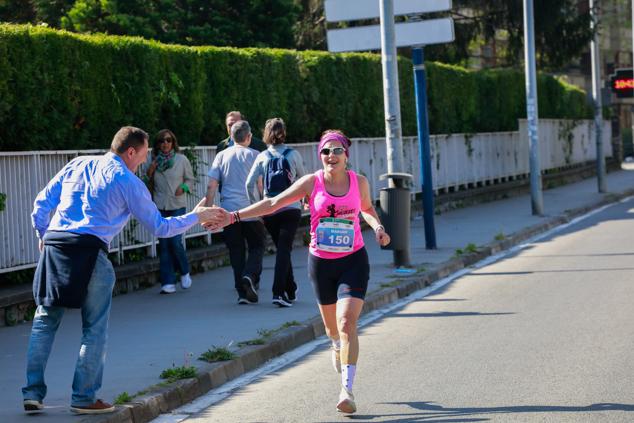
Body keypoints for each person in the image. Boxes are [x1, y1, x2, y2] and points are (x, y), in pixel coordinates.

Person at [24, 127, 218, 415]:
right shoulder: (128, 182)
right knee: (94, 329)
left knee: (44, 320)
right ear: (130, 152)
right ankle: (84, 397)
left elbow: (41, 203)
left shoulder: (78, 163)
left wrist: (43, 234)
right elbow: (161, 228)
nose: (142, 162)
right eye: (141, 155)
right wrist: (195, 216)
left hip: (55, 246)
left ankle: (32, 393)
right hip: (90, 251)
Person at [204, 130, 391, 414]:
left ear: (346, 155)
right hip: (321, 263)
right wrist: (235, 216)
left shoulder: (359, 182)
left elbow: (366, 208)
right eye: (326, 151)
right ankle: (338, 353)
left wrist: (377, 227)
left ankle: (347, 389)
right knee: (332, 332)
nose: (331, 156)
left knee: (346, 323)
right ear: (321, 156)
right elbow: (272, 203)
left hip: (353, 260)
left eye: (337, 151)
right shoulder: (311, 182)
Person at [245, 118, 306, 307]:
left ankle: (290, 288)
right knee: (284, 249)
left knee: (282, 249)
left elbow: (248, 184)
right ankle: (278, 293)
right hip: (291, 209)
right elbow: (304, 180)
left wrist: (258, 206)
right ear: (284, 132)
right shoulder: (293, 154)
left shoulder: (262, 156)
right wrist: (304, 200)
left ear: (266, 133)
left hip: (270, 210)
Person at [205, 120, 266, 304]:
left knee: (236, 251)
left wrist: (208, 210)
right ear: (249, 137)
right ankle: (249, 276)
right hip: (251, 210)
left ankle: (242, 293)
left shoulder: (221, 156)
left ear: (231, 137)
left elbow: (211, 185)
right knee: (257, 246)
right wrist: (265, 206)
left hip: (227, 212)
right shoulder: (256, 155)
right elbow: (260, 184)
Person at [146, 129, 196, 294]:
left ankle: (184, 271)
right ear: (158, 145)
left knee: (175, 241)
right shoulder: (153, 161)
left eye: (168, 140)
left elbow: (190, 179)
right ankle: (168, 282)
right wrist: (150, 170)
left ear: (173, 142)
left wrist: (183, 187)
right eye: (161, 141)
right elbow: (146, 181)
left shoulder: (181, 160)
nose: (165, 143)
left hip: (176, 204)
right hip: (160, 205)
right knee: (164, 244)